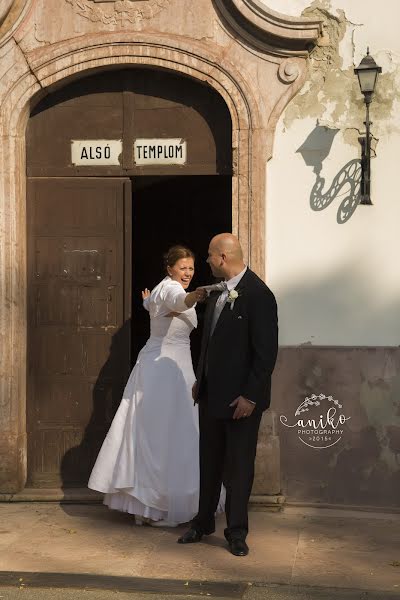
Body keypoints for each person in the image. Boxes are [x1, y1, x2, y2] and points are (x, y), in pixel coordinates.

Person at [88, 245, 208, 527]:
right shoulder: (171, 289)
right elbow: (179, 301)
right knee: (165, 433)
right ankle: (160, 502)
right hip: (165, 371)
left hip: (166, 366)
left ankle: (159, 499)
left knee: (165, 431)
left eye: (191, 268)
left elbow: (156, 305)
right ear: (170, 269)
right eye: (183, 268)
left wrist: (146, 302)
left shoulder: (160, 290)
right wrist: (195, 296)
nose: (188, 273)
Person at [178, 233, 278, 556]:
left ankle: (236, 531)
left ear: (223, 257)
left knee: (238, 468)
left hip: (241, 402)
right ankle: (203, 521)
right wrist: (200, 378)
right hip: (211, 395)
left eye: (209, 256)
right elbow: (209, 340)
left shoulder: (259, 295)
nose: (205, 261)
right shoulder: (218, 292)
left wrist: (250, 396)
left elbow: (265, 354)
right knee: (209, 462)